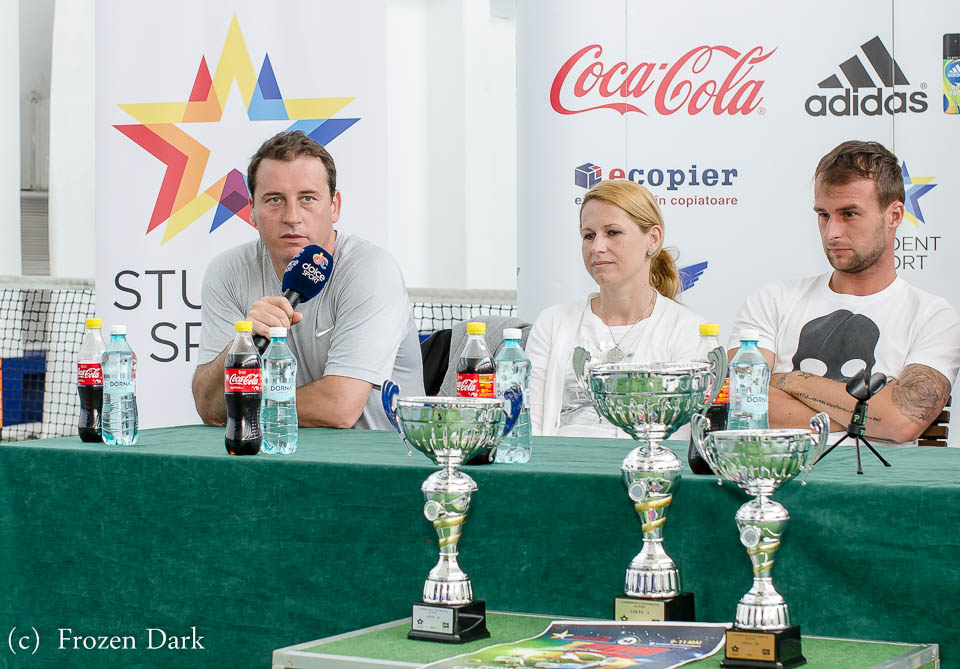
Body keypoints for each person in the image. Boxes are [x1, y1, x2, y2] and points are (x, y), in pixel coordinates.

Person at [729, 140, 960, 445]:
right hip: (781, 472)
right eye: (823, 215)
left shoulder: (933, 316)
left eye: (849, 214)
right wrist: (869, 411)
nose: (832, 233)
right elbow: (740, 402)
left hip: (877, 475)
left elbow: (900, 421)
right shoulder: (772, 299)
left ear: (894, 216)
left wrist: (790, 380)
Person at [192, 131, 424, 430]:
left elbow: (339, 408)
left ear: (334, 206)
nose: (292, 216)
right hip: (279, 449)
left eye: (307, 198)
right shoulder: (227, 271)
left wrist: (239, 401)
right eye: (275, 200)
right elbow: (209, 407)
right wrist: (242, 344)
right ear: (251, 210)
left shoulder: (371, 270)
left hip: (380, 454)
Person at [527, 180, 704, 437]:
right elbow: (529, 427)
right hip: (557, 461)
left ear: (653, 239)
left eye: (613, 232)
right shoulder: (552, 322)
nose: (597, 247)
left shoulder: (688, 329)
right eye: (589, 235)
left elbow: (679, 439)